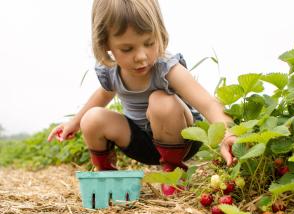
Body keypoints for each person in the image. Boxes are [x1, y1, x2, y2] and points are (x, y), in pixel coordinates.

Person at [48, 0, 236, 196]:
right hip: (141, 144)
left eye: (149, 43)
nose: (141, 56)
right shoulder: (112, 72)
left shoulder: (167, 68)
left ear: (159, 34)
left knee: (160, 101)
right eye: (127, 49)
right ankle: (106, 176)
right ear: (105, 44)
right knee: (92, 118)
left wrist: (228, 132)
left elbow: (207, 103)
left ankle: (174, 171)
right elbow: (102, 95)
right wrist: (74, 122)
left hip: (182, 139)